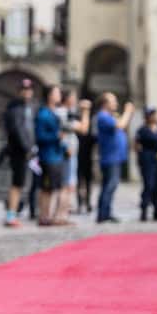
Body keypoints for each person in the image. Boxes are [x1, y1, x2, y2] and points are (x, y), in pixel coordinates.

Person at [95, 92, 135, 223]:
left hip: (114, 156)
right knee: (109, 185)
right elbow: (121, 125)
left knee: (110, 185)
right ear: (105, 104)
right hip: (109, 157)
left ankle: (106, 212)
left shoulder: (109, 116)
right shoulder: (103, 116)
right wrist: (128, 111)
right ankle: (103, 214)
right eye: (113, 101)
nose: (116, 104)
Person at [0, 79, 35, 227]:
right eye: (24, 89)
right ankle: (11, 214)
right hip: (18, 151)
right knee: (17, 183)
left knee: (20, 183)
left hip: (25, 150)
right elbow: (17, 130)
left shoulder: (28, 107)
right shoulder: (15, 108)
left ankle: (13, 212)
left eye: (29, 89)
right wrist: (27, 148)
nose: (27, 92)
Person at [55, 90, 90, 226]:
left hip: (69, 153)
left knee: (69, 185)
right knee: (66, 185)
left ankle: (63, 215)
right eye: (73, 97)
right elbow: (83, 128)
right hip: (66, 153)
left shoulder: (66, 112)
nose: (76, 99)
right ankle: (61, 216)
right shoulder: (63, 113)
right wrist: (86, 111)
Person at [34, 85, 68, 226]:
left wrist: (64, 147)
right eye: (56, 93)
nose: (59, 95)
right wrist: (56, 136)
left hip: (57, 155)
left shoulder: (54, 113)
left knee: (57, 187)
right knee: (47, 188)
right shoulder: (43, 114)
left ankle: (55, 216)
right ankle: (44, 216)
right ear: (49, 95)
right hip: (48, 156)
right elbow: (40, 136)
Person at [135, 106, 157, 221]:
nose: (154, 117)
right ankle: (144, 210)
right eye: (152, 114)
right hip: (147, 160)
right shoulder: (142, 130)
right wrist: (141, 159)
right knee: (149, 185)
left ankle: (156, 211)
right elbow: (137, 146)